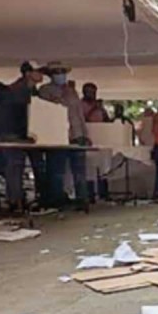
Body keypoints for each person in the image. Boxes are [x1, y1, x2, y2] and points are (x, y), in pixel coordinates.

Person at [36, 64, 91, 210]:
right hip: (57, 136)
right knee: (56, 171)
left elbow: (79, 114)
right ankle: (57, 200)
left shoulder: (72, 91)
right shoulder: (45, 90)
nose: (60, 75)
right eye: (57, 72)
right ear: (50, 75)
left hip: (76, 135)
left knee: (79, 170)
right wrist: (62, 95)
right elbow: (47, 111)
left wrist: (85, 134)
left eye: (62, 72)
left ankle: (82, 200)